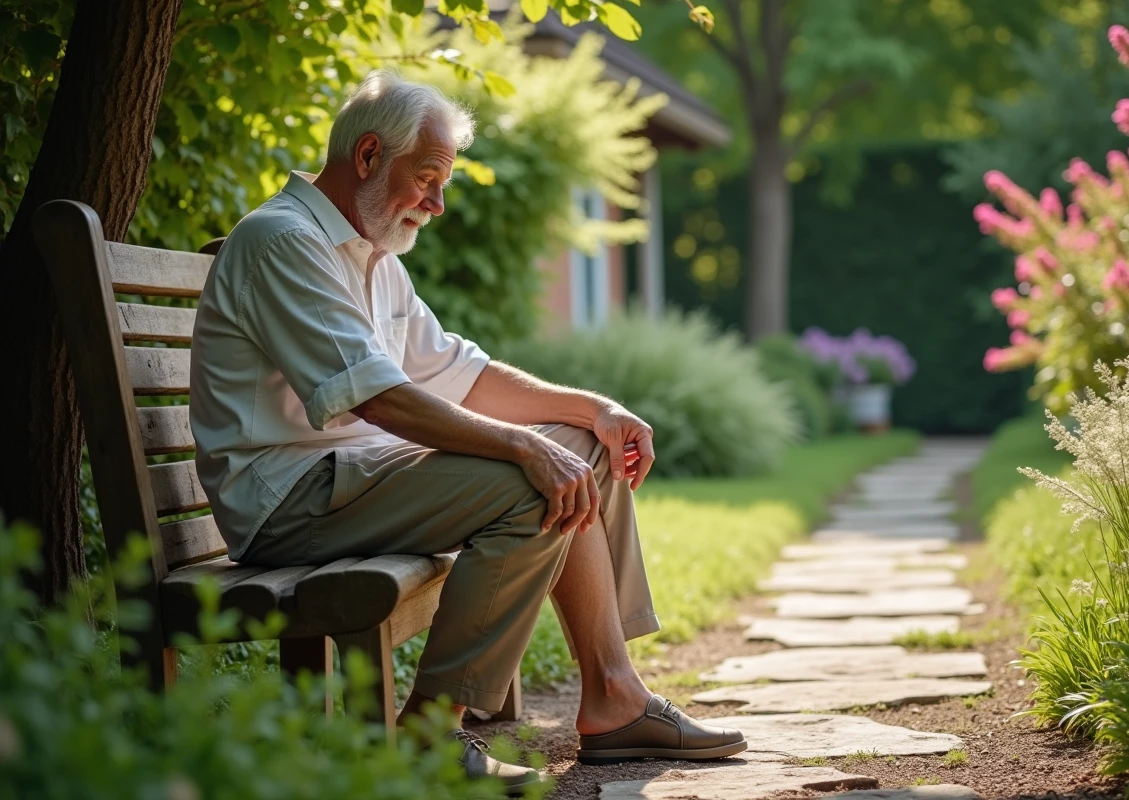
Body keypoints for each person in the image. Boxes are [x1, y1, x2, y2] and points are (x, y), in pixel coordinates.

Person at [189, 70, 746, 794]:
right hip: (290, 501)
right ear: (366, 157)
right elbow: (380, 400)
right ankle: (426, 738)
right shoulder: (284, 242)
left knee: (579, 449)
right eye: (426, 178)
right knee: (530, 477)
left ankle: (614, 696)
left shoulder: (371, 258)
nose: (438, 203)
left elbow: (459, 372)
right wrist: (523, 445)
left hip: (355, 483)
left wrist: (592, 410)